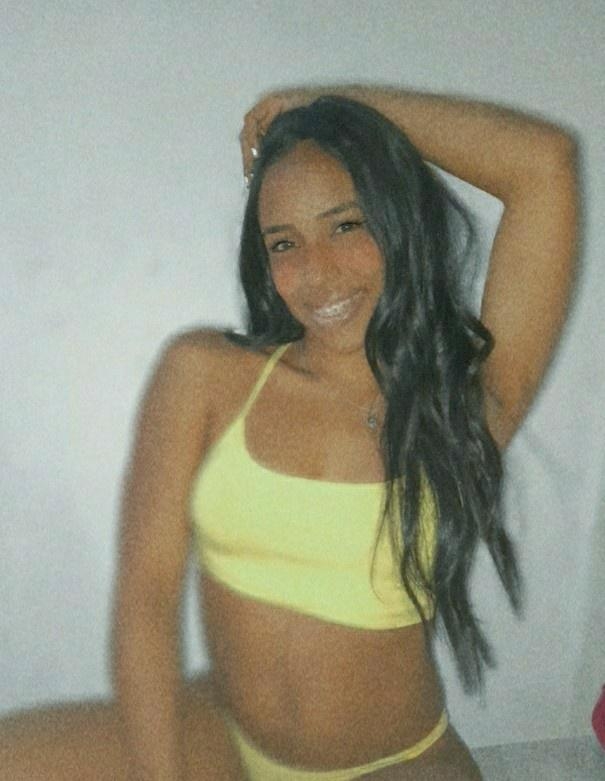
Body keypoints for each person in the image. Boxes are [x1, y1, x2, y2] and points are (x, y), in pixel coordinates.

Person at [0, 85, 578, 780]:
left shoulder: (461, 410)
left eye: (345, 225)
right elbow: (147, 598)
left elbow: (544, 163)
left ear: (396, 224)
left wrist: (335, 105)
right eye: (284, 242)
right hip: (221, 736)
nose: (317, 272)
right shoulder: (206, 375)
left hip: (394, 763)